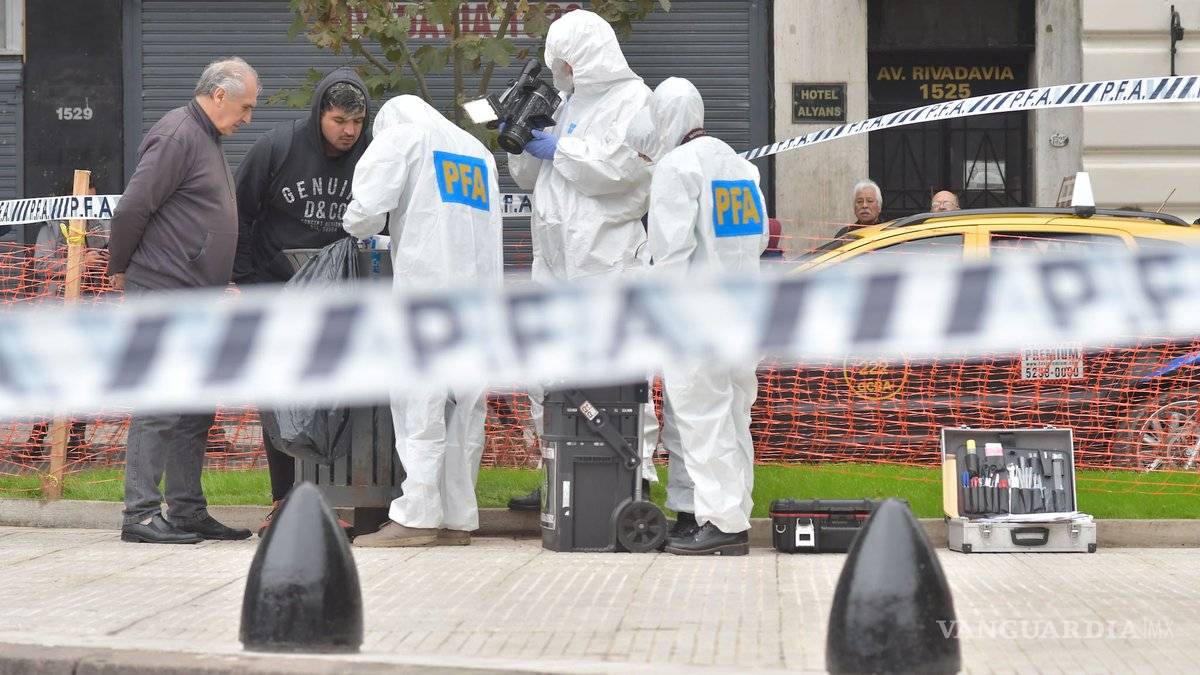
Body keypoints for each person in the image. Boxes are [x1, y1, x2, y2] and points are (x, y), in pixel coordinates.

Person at [504, 9, 658, 511]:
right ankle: (555, 474)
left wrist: (560, 149)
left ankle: (638, 476)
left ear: (586, 56)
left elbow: (622, 171)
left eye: (564, 61)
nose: (558, 71)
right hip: (554, 260)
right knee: (545, 370)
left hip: (607, 260)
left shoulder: (635, 100)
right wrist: (522, 139)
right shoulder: (565, 104)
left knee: (620, 370)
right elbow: (531, 178)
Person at [107, 57, 259, 545]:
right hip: (165, 291)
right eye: (245, 107)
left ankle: (187, 510)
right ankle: (141, 514)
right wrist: (119, 268)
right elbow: (133, 206)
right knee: (160, 402)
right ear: (218, 95)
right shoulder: (178, 135)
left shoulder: (205, 137)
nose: (248, 118)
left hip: (196, 295)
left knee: (193, 407)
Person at [344, 96, 503, 547]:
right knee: (465, 407)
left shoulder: (403, 137)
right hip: (479, 297)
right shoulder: (477, 151)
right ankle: (456, 518)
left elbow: (365, 214)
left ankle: (416, 517)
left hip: (428, 291)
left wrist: (355, 223)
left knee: (420, 403)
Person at [232, 68, 372, 536]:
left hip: (342, 296)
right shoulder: (276, 148)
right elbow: (241, 215)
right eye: (338, 121)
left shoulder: (373, 155)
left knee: (342, 398)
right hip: (276, 291)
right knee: (280, 400)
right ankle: (283, 500)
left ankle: (340, 503)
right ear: (319, 115)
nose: (349, 131)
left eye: (357, 121)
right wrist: (244, 283)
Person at [645, 78, 767, 556]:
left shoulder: (676, 167)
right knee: (735, 419)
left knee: (703, 420)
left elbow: (671, 254)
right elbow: (757, 240)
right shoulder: (740, 166)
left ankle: (722, 526)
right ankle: (730, 513)